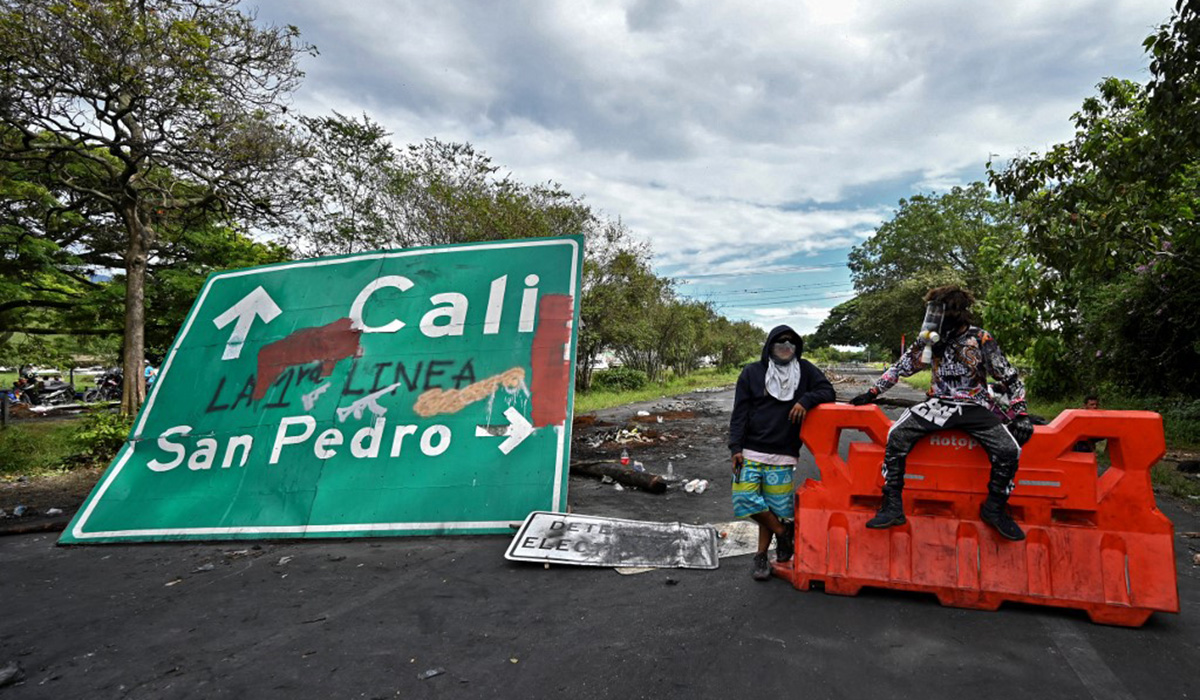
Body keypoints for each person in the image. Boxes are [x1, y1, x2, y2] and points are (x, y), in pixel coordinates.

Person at [849, 285, 1034, 541]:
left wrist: (1020, 413)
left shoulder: (979, 339)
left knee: (1008, 449)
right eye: (932, 312)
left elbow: (1008, 376)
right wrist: (872, 392)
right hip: (938, 404)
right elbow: (903, 366)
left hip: (974, 405)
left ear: (956, 312)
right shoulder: (929, 339)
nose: (934, 318)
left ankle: (995, 508)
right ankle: (892, 505)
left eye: (940, 312)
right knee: (897, 436)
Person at [729, 325, 836, 581]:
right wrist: (735, 447)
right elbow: (740, 413)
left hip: (784, 453)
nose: (786, 347)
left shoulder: (805, 370)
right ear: (769, 346)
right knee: (744, 499)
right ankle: (783, 532)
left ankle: (761, 556)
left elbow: (828, 391)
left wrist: (805, 400)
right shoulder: (753, 372)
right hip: (751, 449)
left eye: (791, 342)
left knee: (774, 507)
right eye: (780, 342)